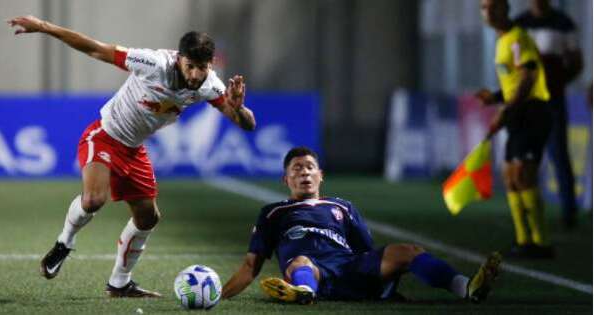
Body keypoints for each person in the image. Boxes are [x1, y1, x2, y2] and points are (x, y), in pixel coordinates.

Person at [8, 15, 256, 297]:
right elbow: (95, 48)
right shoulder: (152, 63)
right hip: (104, 135)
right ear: (179, 59)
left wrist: (239, 109)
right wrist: (43, 26)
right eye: (191, 66)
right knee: (93, 199)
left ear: (210, 64)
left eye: (202, 67)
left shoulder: (210, 85)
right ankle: (64, 243)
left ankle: (119, 283)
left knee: (148, 218)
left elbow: (247, 125)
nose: (196, 74)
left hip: (134, 150)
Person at [221, 147, 501, 304]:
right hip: (315, 273)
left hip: (350, 268)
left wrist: (387, 273)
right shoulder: (274, 213)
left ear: (321, 176)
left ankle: (467, 288)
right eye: (296, 168)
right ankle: (304, 293)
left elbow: (366, 250)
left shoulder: (342, 207)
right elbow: (250, 267)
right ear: (286, 180)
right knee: (300, 261)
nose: (304, 172)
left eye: (309, 167)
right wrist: (219, 296)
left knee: (406, 250)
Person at [475, 0, 553, 258]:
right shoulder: (501, 41)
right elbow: (512, 84)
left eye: (494, 7)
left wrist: (506, 109)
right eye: (484, 7)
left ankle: (541, 242)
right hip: (517, 113)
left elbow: (528, 77)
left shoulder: (518, 38)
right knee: (509, 177)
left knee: (523, 176)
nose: (489, 12)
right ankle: (523, 240)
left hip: (533, 112)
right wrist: (496, 98)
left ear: (506, 9)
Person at [514, 0, 583, 229]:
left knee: (558, 153)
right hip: (526, 101)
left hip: (553, 100)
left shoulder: (563, 23)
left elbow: (576, 61)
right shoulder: (520, 24)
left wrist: (558, 82)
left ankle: (568, 211)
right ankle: (527, 213)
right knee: (524, 157)